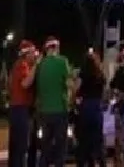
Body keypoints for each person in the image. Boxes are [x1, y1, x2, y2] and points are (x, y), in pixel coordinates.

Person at [33, 37, 72, 167]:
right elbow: (69, 83)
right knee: (60, 146)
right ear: (56, 47)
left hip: (44, 111)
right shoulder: (62, 62)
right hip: (60, 109)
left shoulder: (40, 65)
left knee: (45, 146)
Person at [7, 41, 39, 167]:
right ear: (27, 54)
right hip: (21, 109)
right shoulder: (22, 65)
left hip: (16, 109)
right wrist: (36, 67)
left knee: (16, 146)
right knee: (21, 145)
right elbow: (25, 83)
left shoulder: (17, 65)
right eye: (32, 53)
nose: (34, 56)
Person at [75, 52, 106, 167]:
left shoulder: (83, 74)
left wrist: (74, 99)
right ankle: (101, 162)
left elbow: (76, 88)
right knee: (98, 139)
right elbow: (105, 92)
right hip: (97, 107)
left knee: (84, 138)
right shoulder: (100, 75)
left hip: (86, 106)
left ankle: (85, 162)